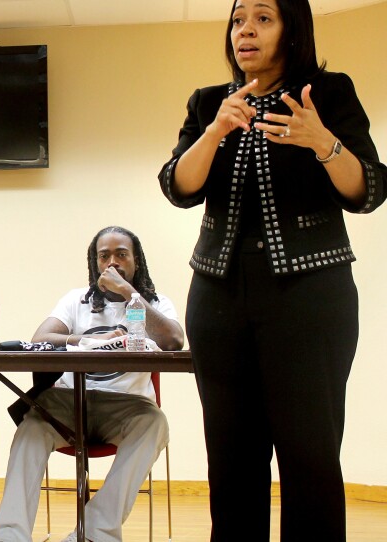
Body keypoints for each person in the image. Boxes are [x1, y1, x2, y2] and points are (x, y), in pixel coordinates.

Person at [158, 1, 387, 539]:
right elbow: (177, 186)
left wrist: (323, 143)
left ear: (291, 29)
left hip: (310, 294)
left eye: (263, 17)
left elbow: (369, 189)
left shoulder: (328, 93)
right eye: (239, 19)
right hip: (217, 296)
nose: (246, 30)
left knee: (309, 455)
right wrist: (214, 130)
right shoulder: (209, 102)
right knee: (231, 458)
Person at [0, 226, 184, 542]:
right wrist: (90, 339)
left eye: (121, 254)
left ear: (136, 261)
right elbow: (41, 338)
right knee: (31, 425)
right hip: (69, 402)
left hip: (127, 405)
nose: (112, 262)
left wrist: (128, 293)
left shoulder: (155, 302)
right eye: (104, 255)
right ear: (94, 262)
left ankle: (96, 531)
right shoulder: (75, 300)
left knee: (155, 423)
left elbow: (173, 340)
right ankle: (8, 534)